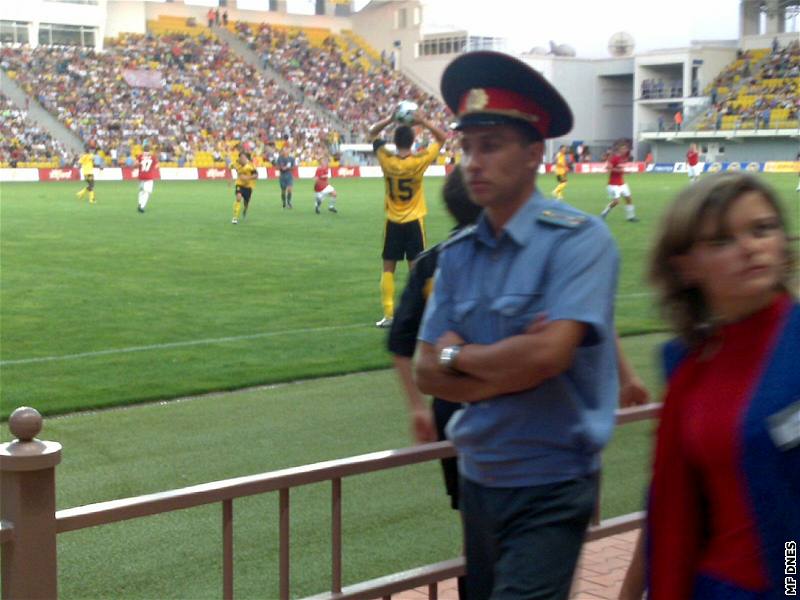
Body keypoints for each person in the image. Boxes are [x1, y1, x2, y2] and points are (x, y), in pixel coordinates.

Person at [415, 50, 620, 600]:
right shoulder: (457, 254)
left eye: (491, 146)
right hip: (479, 479)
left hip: (551, 482)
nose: (472, 163)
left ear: (534, 154)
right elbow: (426, 371)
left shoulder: (579, 241)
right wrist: (501, 362)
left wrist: (461, 356)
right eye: (467, 147)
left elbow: (547, 359)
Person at [619, 173, 799, 600]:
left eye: (762, 229)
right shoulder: (687, 365)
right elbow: (669, 507)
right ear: (685, 266)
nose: (751, 247)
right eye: (721, 240)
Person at [388, 165, 482, 599]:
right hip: (508, 406)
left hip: (450, 409)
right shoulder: (511, 257)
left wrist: (415, 406)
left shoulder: (432, 261)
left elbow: (400, 342)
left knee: (472, 521)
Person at [367, 108, 447, 329]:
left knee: (388, 269)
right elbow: (442, 138)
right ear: (413, 142)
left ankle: (389, 315)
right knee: (417, 270)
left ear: (394, 141)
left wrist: (389, 119)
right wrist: (424, 121)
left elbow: (372, 133)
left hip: (393, 220)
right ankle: (421, 314)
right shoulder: (418, 161)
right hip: (414, 221)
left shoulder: (387, 159)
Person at [600, 142, 639, 222]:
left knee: (629, 199)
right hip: (613, 184)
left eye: (626, 149)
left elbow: (620, 170)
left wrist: (625, 172)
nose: (625, 150)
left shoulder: (623, 158)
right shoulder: (614, 158)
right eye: (623, 148)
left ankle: (631, 217)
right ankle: (604, 212)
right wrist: (620, 171)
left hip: (622, 184)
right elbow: (608, 168)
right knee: (616, 202)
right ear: (619, 149)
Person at [231, 152, 257, 224]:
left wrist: (247, 177)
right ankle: (235, 217)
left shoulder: (250, 166)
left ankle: (245, 210)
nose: (243, 159)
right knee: (238, 198)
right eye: (241, 157)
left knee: (246, 203)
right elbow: (230, 166)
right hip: (239, 184)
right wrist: (230, 178)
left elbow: (256, 175)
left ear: (246, 158)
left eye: (244, 157)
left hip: (248, 186)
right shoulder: (236, 164)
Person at [136, 141, 159, 213]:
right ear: (150, 150)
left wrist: (140, 166)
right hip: (149, 177)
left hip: (141, 176)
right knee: (147, 192)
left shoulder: (140, 156)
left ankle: (140, 203)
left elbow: (136, 164)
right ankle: (142, 206)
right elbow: (157, 165)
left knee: (141, 191)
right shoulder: (153, 157)